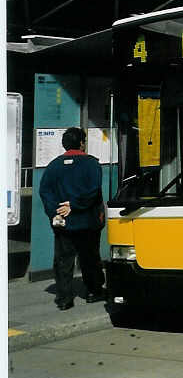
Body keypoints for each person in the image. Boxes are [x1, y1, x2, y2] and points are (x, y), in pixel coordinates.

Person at [39, 127, 105, 310]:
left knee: (63, 260)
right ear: (82, 143)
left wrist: (57, 210)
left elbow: (44, 191)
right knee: (90, 258)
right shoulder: (92, 164)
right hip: (87, 221)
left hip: (63, 223)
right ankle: (94, 291)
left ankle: (64, 298)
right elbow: (92, 191)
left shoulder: (54, 165)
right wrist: (73, 206)